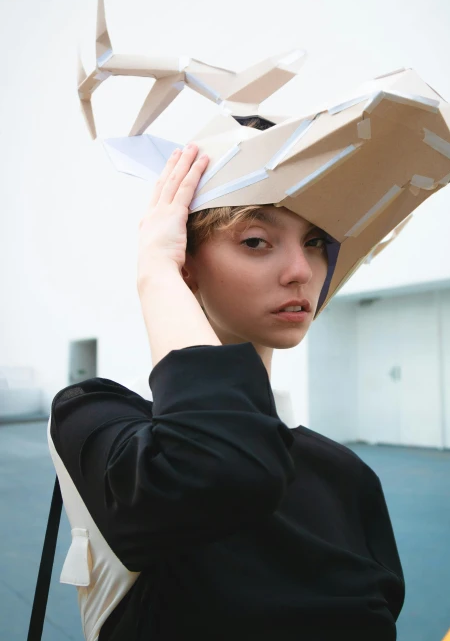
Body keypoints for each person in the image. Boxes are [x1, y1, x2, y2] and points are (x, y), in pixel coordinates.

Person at [49, 131, 405, 641]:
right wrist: (154, 270)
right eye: (256, 241)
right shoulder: (93, 418)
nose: (302, 271)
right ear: (185, 263)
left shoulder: (346, 475)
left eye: (315, 242)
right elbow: (216, 463)